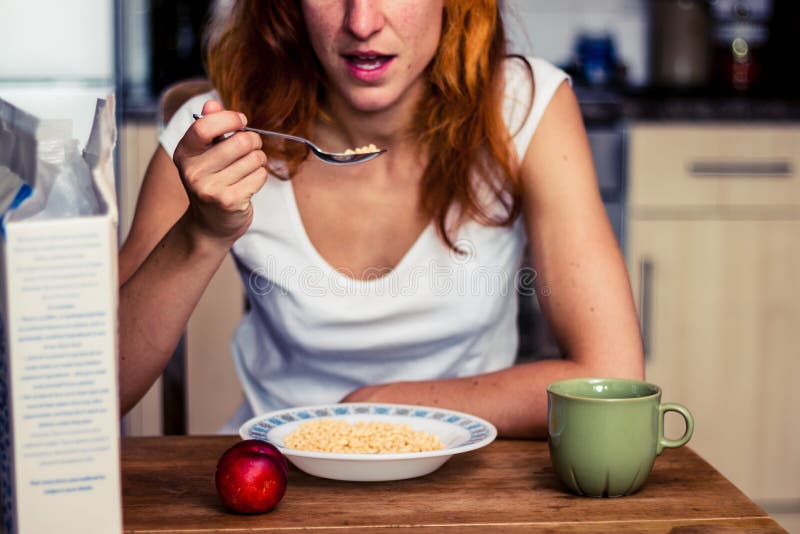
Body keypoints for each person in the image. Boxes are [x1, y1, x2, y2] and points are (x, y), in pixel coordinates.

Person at [118, 0, 643, 438]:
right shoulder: (214, 137)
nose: (362, 22)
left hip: (470, 478)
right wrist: (201, 234)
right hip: (275, 478)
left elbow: (612, 373)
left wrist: (388, 405)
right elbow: (97, 388)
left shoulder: (524, 106)